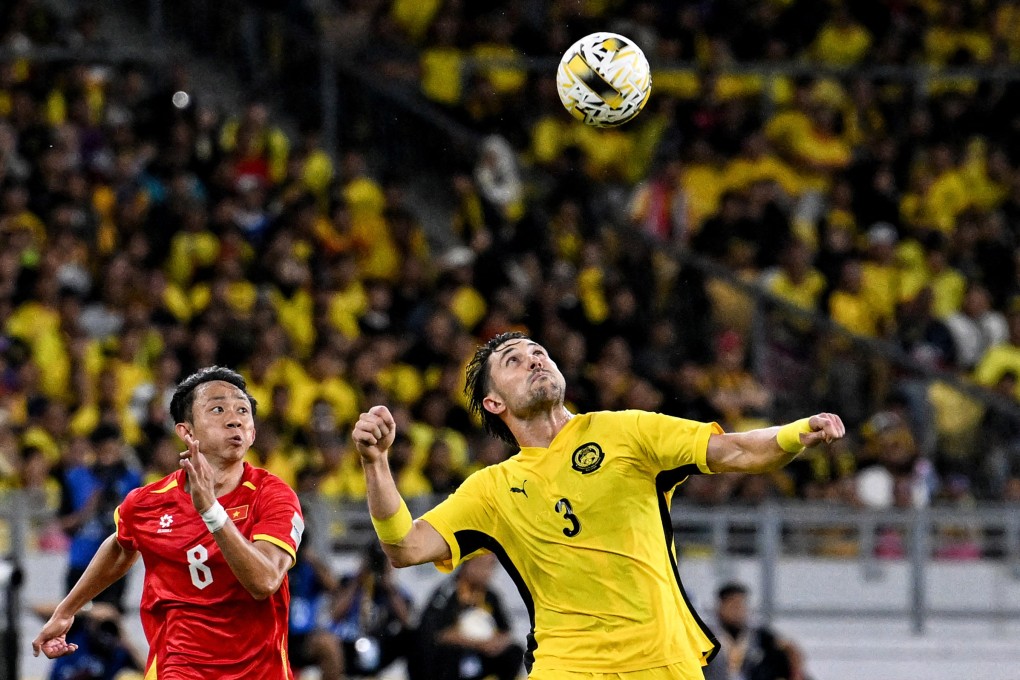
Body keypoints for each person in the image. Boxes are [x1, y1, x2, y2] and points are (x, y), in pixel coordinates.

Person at [352, 331, 845, 679]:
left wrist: (795, 432)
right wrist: (376, 464)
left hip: (663, 659)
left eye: (539, 352)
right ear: (494, 404)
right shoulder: (491, 489)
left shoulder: (626, 430)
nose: (535, 360)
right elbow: (405, 546)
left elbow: (737, 450)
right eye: (514, 362)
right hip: (568, 664)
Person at [33, 366, 306, 679]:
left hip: (259, 671)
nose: (235, 419)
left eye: (243, 410)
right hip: (177, 667)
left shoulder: (273, 496)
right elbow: (121, 545)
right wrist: (66, 610)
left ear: (253, 433)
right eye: (218, 408)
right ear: (186, 432)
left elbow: (265, 581)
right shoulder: (148, 502)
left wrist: (212, 513)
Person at [412, 552, 524, 680]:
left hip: (479, 652)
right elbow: (437, 633)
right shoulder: (448, 592)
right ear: (467, 564)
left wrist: (496, 643)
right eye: (482, 565)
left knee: (514, 652)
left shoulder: (489, 595)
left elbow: (506, 631)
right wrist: (477, 643)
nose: (487, 572)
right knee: (447, 654)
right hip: (449, 658)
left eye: (491, 566)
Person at [329, 540, 414, 677]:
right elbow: (335, 614)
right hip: (350, 642)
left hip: (382, 643)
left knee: (413, 637)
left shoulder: (395, 591)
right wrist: (358, 580)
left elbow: (406, 621)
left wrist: (388, 584)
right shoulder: (348, 582)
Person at [702, 583, 806, 680]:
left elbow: (787, 648)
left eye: (741, 605)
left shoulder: (757, 632)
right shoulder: (705, 633)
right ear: (721, 606)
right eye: (733, 605)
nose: (738, 610)